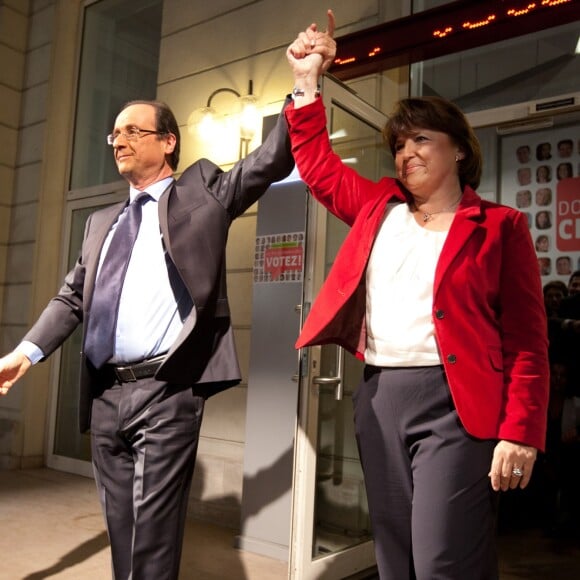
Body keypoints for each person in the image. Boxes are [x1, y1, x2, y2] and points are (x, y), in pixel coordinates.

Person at [286, 11, 549, 579]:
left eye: (421, 139)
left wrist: (520, 431)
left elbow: (528, 342)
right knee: (395, 558)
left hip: (457, 403)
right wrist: (308, 83)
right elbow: (318, 167)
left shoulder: (500, 226)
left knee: (441, 561)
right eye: (400, 144)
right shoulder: (378, 209)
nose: (406, 153)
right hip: (380, 396)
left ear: (459, 150)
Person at [0, 93, 297, 578]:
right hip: (105, 394)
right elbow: (71, 298)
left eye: (134, 131)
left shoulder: (202, 192)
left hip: (167, 389)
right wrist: (24, 353)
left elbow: (269, 161)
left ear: (168, 142)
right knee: (123, 534)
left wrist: (303, 88)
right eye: (115, 133)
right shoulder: (101, 223)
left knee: (153, 541)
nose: (120, 140)